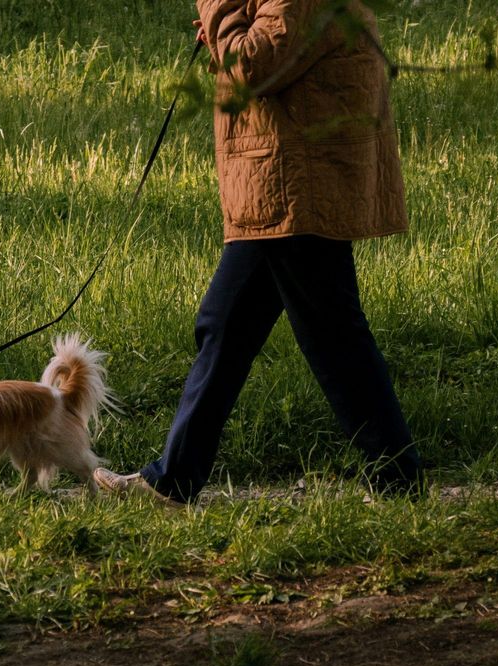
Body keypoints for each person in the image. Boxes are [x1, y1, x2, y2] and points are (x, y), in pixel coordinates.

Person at [94, 0, 423, 504]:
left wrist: (218, 10)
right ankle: (174, 481)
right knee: (227, 326)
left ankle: (400, 481)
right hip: (286, 179)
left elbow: (253, 65)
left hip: (297, 183)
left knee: (331, 339)